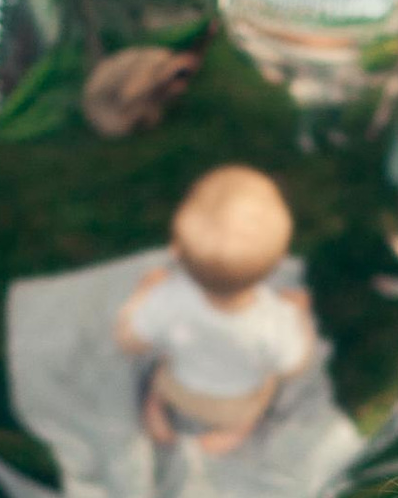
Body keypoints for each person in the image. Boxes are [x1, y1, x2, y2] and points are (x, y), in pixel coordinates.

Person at [114, 164, 320, 460]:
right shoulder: (277, 319)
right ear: (276, 266)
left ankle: (155, 409)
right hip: (236, 404)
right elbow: (294, 365)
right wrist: (300, 313)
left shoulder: (167, 298)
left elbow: (128, 340)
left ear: (176, 251)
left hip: (178, 388)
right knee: (266, 388)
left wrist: (143, 292)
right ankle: (235, 432)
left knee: (160, 371)